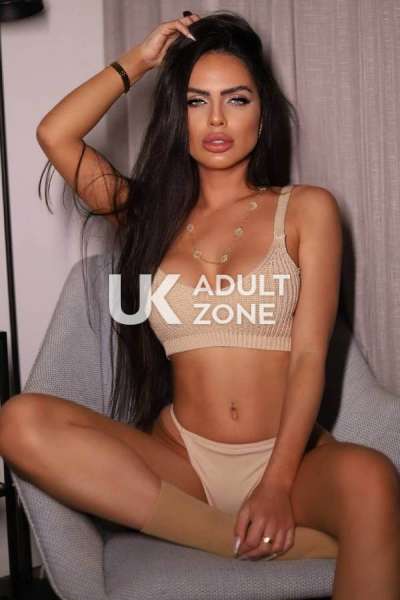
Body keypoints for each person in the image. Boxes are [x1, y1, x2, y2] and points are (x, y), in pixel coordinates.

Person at [1, 9, 399, 596]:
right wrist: (141, 61)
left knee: (372, 478)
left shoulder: (306, 209)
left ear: (262, 112)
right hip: (184, 462)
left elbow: (309, 356)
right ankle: (236, 538)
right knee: (18, 420)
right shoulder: (148, 215)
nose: (216, 118)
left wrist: (276, 484)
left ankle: (263, 521)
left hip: (289, 459)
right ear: (177, 115)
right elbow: (55, 135)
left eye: (236, 99)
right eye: (195, 101)